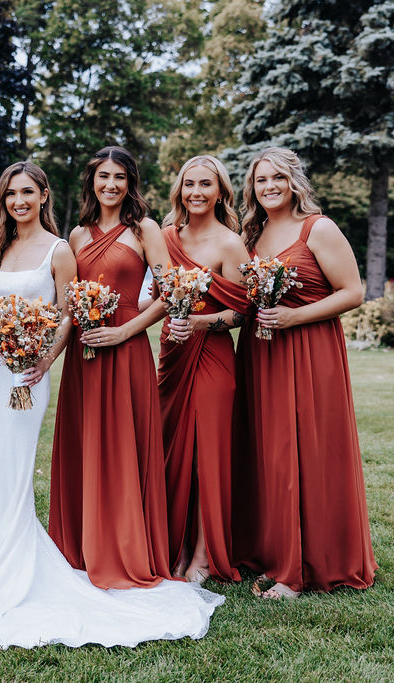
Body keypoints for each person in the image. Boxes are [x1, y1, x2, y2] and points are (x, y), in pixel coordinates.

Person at [0, 162, 222, 649]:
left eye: (28, 191)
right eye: (11, 193)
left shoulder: (60, 248)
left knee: (14, 465)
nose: (19, 201)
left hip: (29, 370)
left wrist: (44, 357)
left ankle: (19, 566)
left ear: (45, 194)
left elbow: (70, 312)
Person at [232, 147, 377, 599]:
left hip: (311, 352)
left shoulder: (319, 228)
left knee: (306, 449)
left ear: (294, 180)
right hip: (260, 353)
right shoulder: (251, 233)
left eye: (277, 177)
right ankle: (270, 550)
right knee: (269, 452)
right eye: (260, 180)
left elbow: (353, 291)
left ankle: (306, 566)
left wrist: (296, 317)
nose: (269, 186)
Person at [49, 146, 174, 589]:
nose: (111, 185)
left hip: (126, 349)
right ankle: (80, 545)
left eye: (119, 177)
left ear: (130, 183)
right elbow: (65, 299)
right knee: (86, 445)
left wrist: (126, 332)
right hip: (85, 357)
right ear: (91, 182)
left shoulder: (145, 230)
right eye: (103, 176)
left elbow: (170, 294)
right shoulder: (77, 236)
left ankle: (123, 546)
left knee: (123, 446)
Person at [157, 155, 250, 585]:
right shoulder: (163, 235)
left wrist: (195, 322)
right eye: (188, 184)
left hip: (212, 355)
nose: (196, 192)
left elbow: (241, 313)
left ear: (219, 192)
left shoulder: (231, 243)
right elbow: (150, 294)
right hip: (172, 355)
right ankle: (173, 547)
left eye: (205, 185)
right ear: (179, 190)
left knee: (205, 457)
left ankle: (203, 556)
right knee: (171, 452)